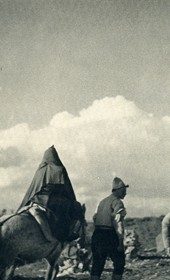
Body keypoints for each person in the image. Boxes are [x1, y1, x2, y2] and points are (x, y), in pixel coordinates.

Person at [17, 145, 83, 242]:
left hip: (37, 200)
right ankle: (65, 236)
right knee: (72, 208)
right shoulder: (60, 169)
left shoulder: (40, 170)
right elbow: (67, 189)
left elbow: (32, 188)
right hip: (53, 200)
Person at [90, 177, 129, 280]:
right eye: (124, 191)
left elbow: (94, 218)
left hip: (97, 234)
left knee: (97, 264)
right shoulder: (117, 202)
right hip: (109, 235)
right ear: (119, 190)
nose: (125, 193)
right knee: (119, 262)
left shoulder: (102, 202)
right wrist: (120, 243)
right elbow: (118, 222)